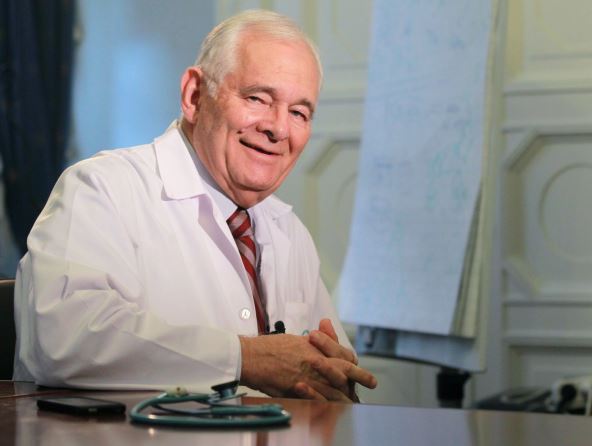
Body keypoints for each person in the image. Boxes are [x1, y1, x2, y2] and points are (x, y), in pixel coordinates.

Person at [13, 10, 376, 402]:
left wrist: (335, 378)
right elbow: (65, 340)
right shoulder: (100, 189)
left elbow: (331, 374)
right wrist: (248, 359)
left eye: (299, 113)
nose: (278, 128)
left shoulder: (289, 231)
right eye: (257, 98)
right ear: (194, 96)